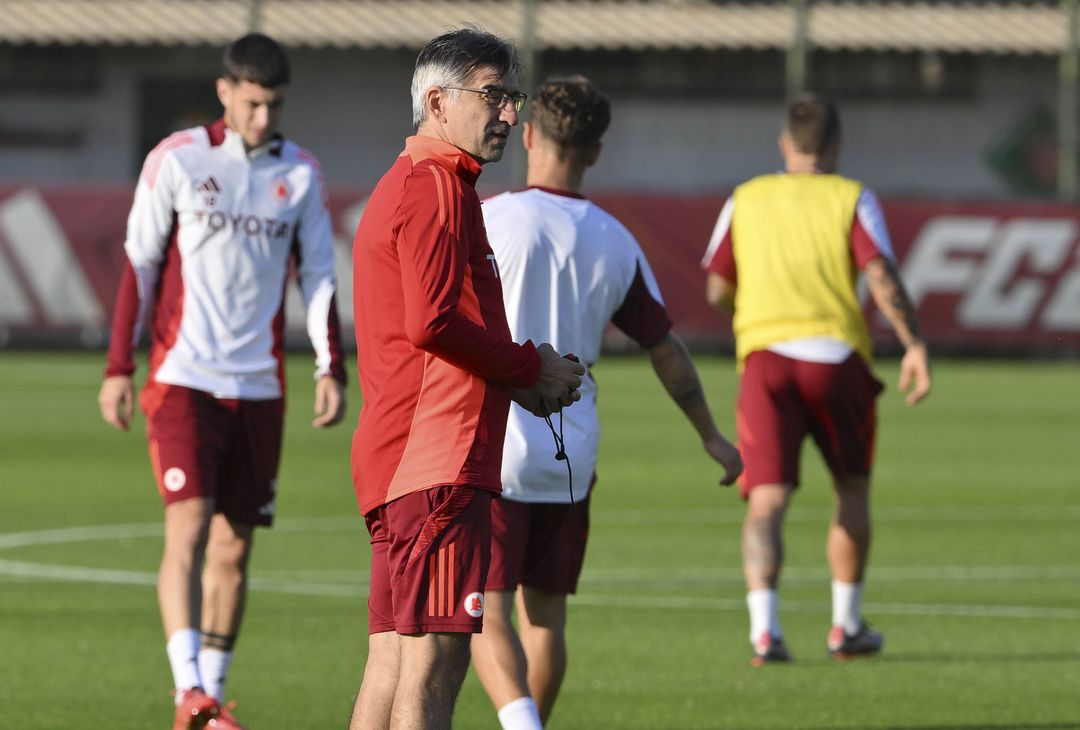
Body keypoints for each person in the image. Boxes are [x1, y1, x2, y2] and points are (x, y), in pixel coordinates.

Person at [471, 75, 744, 730]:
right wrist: (711, 434)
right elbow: (664, 347)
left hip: (497, 434)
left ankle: (521, 724)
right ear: (595, 152)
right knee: (548, 616)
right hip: (572, 445)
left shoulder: (489, 218)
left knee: (486, 610)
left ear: (529, 136)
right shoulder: (615, 240)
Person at [97, 33, 347, 729]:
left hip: (261, 385)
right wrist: (120, 366)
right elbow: (140, 265)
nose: (264, 117)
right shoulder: (177, 158)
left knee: (236, 547)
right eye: (253, 102)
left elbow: (322, 276)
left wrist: (332, 365)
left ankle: (209, 699)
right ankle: (188, 692)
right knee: (189, 529)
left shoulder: (300, 174)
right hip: (183, 376)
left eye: (275, 105)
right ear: (225, 91)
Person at [348, 29, 585, 730]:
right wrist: (528, 369)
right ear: (436, 100)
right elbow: (434, 323)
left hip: (404, 461)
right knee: (435, 669)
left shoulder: (412, 182)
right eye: (493, 95)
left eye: (511, 97)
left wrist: (521, 372)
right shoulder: (436, 184)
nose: (509, 113)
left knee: (393, 664)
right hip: (438, 463)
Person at [701, 92, 931, 666]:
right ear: (835, 147)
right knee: (851, 488)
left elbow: (715, 286)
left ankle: (765, 632)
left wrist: (749, 317)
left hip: (766, 360)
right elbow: (879, 272)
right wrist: (913, 344)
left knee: (766, 503)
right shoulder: (851, 196)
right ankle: (846, 626)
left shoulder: (745, 198)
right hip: (837, 358)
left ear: (785, 144)